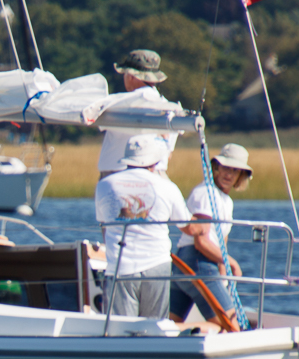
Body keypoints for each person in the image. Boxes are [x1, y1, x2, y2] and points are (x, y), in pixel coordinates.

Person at [94, 135, 201, 319]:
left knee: (121, 329)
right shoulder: (168, 187)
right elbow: (188, 227)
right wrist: (203, 226)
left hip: (120, 267)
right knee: (154, 327)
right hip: (157, 266)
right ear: (155, 162)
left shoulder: (104, 185)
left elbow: (104, 222)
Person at [169, 144, 254, 332]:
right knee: (231, 328)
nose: (228, 174)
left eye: (235, 170)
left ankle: (168, 330)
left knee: (171, 323)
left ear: (241, 175)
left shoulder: (225, 200)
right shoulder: (206, 193)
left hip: (188, 265)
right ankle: (174, 329)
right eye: (225, 168)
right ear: (216, 168)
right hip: (197, 262)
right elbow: (201, 242)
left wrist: (223, 274)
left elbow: (222, 242)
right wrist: (232, 263)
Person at [96, 49, 186, 180]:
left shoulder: (119, 103)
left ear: (131, 76)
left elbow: (91, 113)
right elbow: (168, 155)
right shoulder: (170, 109)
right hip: (157, 176)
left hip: (117, 175)